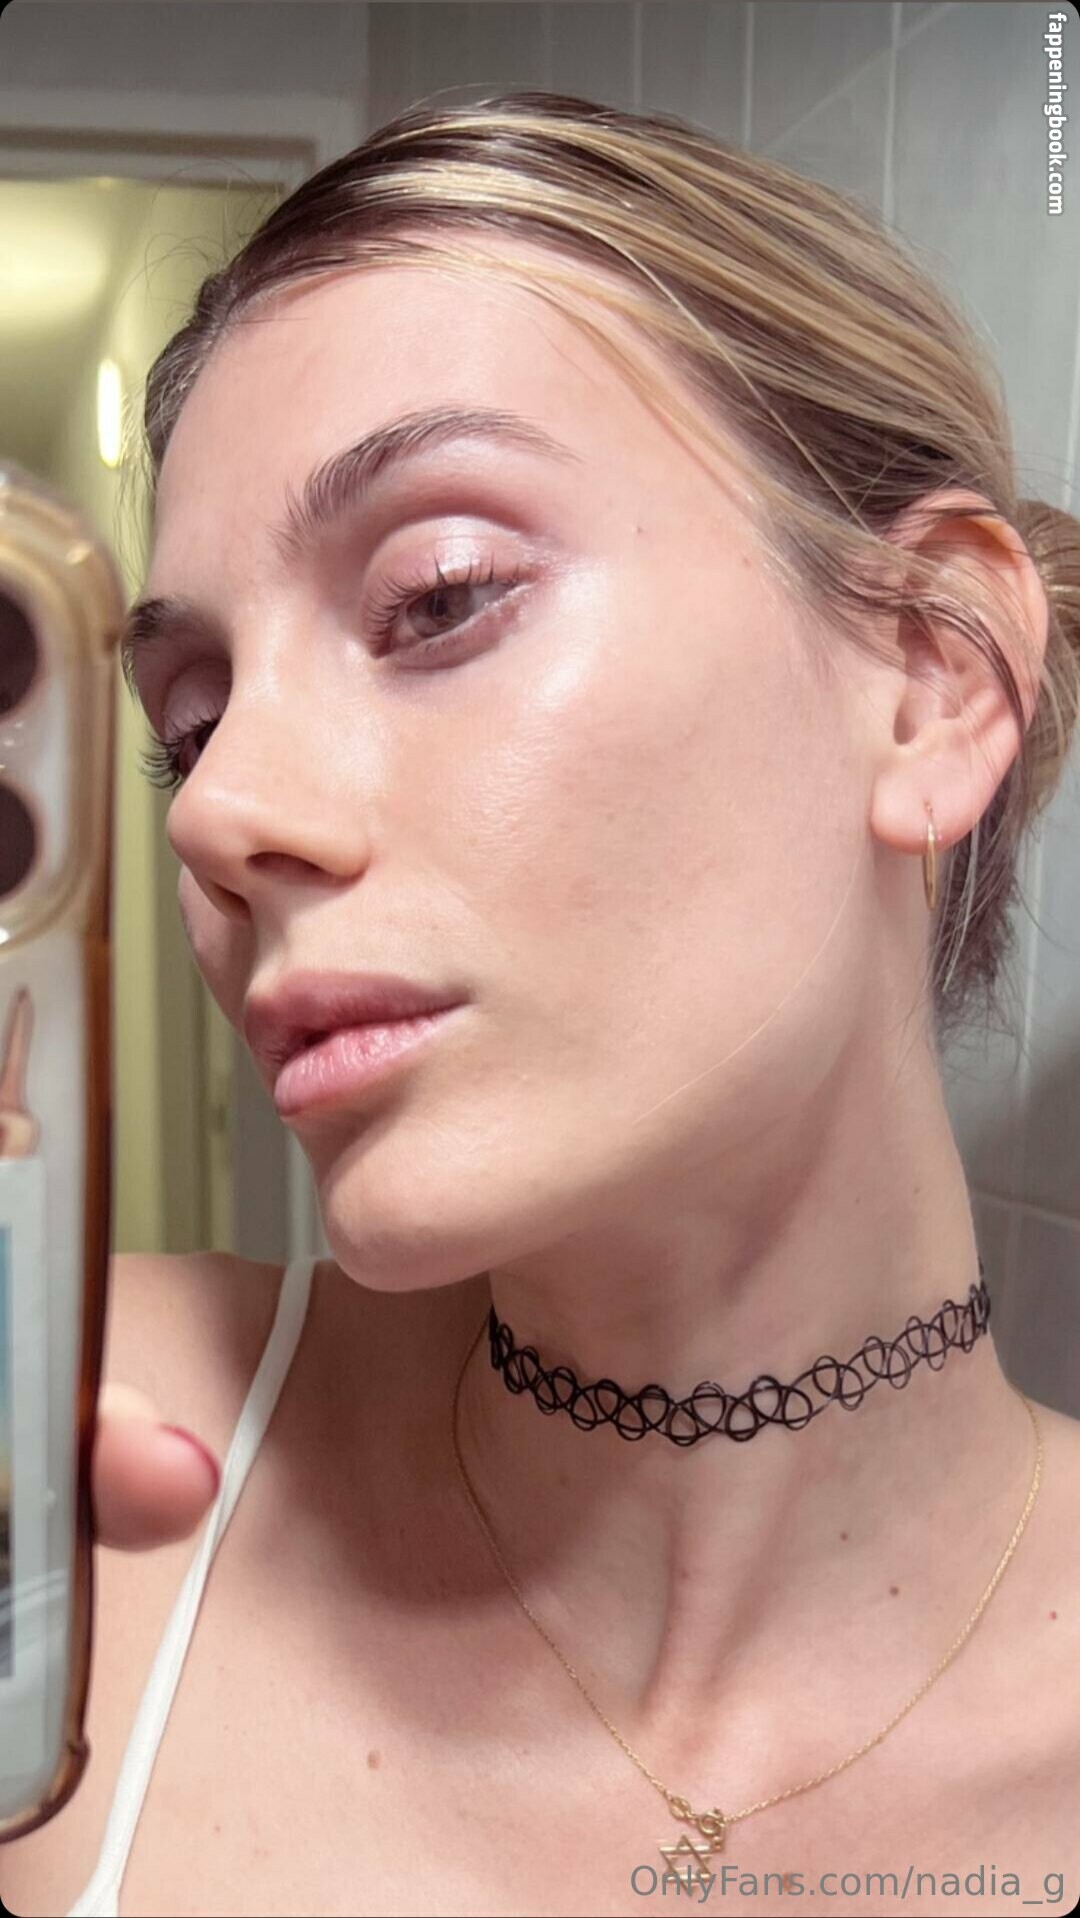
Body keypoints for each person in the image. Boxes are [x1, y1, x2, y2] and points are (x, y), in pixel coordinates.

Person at [4, 89, 1080, 1918]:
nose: (220, 813)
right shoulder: (78, 1466)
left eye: (439, 597)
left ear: (930, 677)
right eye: (190, 723)